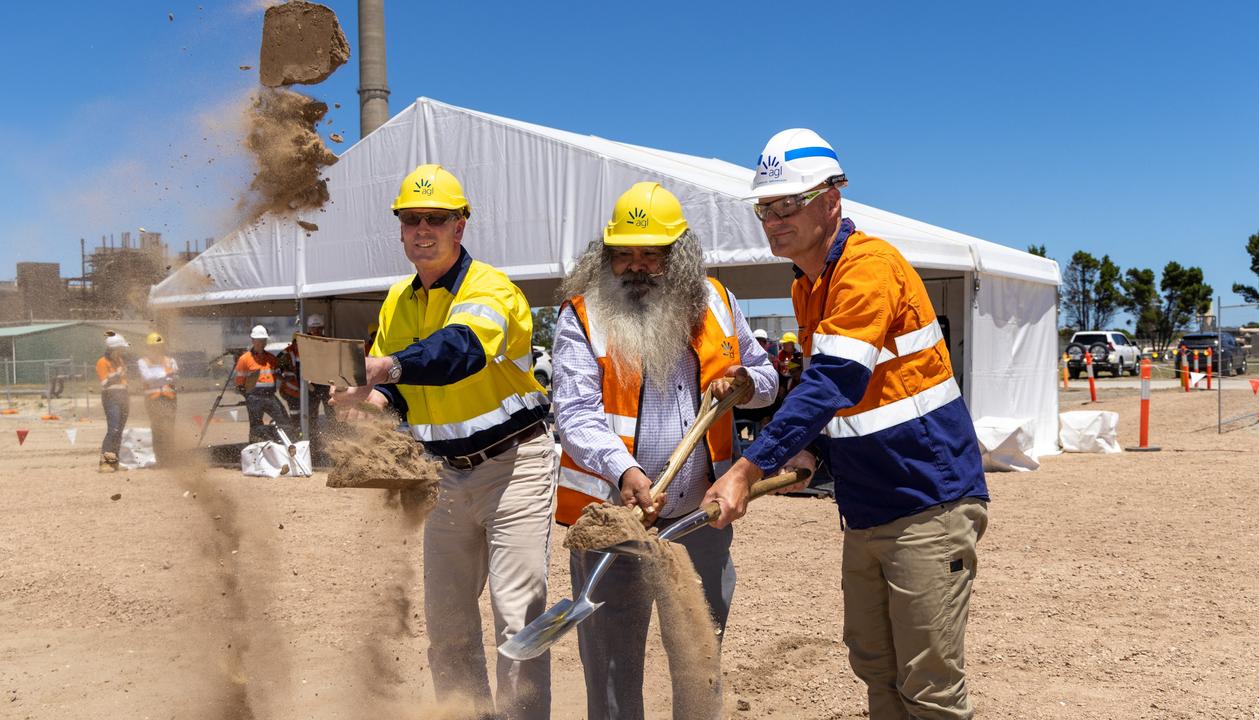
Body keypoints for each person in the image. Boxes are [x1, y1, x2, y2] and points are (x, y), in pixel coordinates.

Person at [704, 129, 989, 720]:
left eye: (790, 203)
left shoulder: (867, 267)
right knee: (876, 666)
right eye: (766, 207)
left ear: (833, 198)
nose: (775, 218)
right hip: (868, 506)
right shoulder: (807, 286)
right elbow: (854, 402)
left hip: (927, 502)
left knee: (929, 685)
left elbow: (834, 380)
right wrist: (815, 456)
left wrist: (748, 465)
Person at [333, 164, 555, 720]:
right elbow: (407, 389)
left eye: (437, 218)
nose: (423, 228)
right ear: (401, 229)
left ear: (461, 226)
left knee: (518, 617)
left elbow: (458, 351)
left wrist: (384, 367)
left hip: (515, 467)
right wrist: (376, 400)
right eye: (412, 219)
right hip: (445, 478)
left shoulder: (490, 290)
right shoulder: (396, 302)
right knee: (449, 625)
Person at [553, 181, 778, 719]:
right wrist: (625, 470)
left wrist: (744, 382)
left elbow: (769, 380)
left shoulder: (719, 304)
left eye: (651, 254)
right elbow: (576, 413)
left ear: (678, 256)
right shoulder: (581, 316)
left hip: (700, 523)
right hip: (615, 521)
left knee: (699, 660)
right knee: (612, 667)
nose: (635, 266)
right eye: (623, 253)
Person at [234, 325, 292, 443]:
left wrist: (286, 371)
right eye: (259, 340)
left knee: (285, 422)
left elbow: (279, 375)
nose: (262, 343)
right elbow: (239, 383)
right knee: (256, 427)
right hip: (254, 397)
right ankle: (256, 448)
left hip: (270, 396)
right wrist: (248, 396)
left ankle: (280, 444)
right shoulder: (244, 359)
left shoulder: (271, 358)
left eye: (263, 340)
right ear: (253, 341)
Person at [279, 313, 331, 427]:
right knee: (311, 416)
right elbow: (298, 366)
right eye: (314, 328)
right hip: (311, 385)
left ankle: (337, 438)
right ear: (309, 328)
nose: (316, 331)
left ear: (322, 328)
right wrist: (303, 384)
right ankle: (313, 442)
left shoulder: (328, 342)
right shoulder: (303, 344)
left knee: (331, 412)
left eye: (318, 328)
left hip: (326, 383)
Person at [136, 332, 178, 466]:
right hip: (153, 399)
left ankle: (170, 458)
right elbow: (148, 377)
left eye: (158, 347)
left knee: (169, 428)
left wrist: (158, 377)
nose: (156, 350)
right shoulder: (143, 362)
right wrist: (166, 374)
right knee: (157, 428)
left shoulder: (170, 360)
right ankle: (160, 459)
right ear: (149, 348)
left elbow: (175, 378)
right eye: (153, 347)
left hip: (170, 398)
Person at [96, 332, 131, 473]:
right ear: (113, 349)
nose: (122, 351)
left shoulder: (120, 361)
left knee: (119, 431)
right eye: (120, 349)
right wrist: (117, 374)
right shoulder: (102, 362)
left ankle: (114, 462)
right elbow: (104, 382)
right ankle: (105, 463)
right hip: (111, 398)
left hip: (123, 396)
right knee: (113, 430)